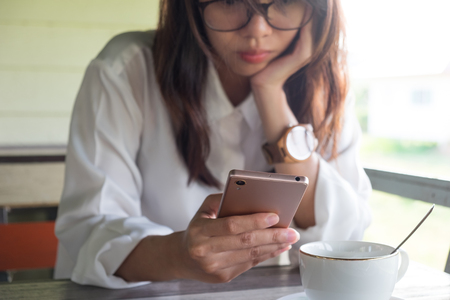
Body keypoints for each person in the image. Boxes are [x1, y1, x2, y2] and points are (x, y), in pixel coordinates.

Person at [54, 0, 372, 289]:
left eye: (285, 1)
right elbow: (89, 232)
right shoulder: (126, 69)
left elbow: (343, 241)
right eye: (231, 1)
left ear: (316, 10)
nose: (257, 30)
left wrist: (271, 93)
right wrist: (178, 254)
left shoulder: (325, 84)